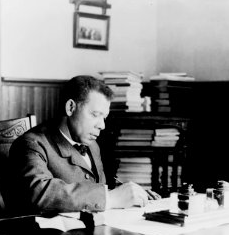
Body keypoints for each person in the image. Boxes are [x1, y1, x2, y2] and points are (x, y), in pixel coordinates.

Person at [9, 75, 161, 214]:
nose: (102, 125)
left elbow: (97, 186)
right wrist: (111, 198)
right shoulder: (32, 144)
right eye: (95, 115)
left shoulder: (92, 145)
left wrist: (131, 193)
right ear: (70, 108)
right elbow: (40, 193)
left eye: (104, 117)